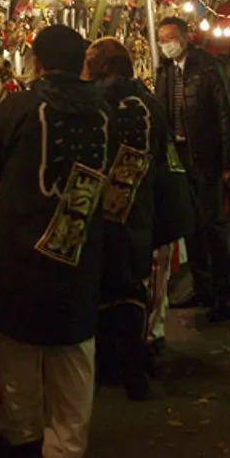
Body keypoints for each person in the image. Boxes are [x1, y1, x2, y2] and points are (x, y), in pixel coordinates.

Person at [0, 25, 109, 458]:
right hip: (78, 252)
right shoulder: (103, 109)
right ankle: (67, 447)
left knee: (17, 358)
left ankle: (23, 438)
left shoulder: (21, 107)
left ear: (38, 62)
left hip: (18, 258)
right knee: (74, 359)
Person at [83, 38, 183, 401]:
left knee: (105, 288)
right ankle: (134, 367)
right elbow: (161, 155)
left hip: (102, 213)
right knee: (133, 288)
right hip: (141, 211)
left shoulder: (93, 102)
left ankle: (110, 363)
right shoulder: (149, 103)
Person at [156, 16, 230, 323]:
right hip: (178, 159)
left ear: (185, 36)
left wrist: (228, 161)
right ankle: (202, 287)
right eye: (162, 38)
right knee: (190, 226)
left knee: (212, 226)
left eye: (170, 37)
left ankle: (223, 297)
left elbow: (226, 115)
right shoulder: (165, 71)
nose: (166, 44)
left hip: (205, 157)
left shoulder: (207, 68)